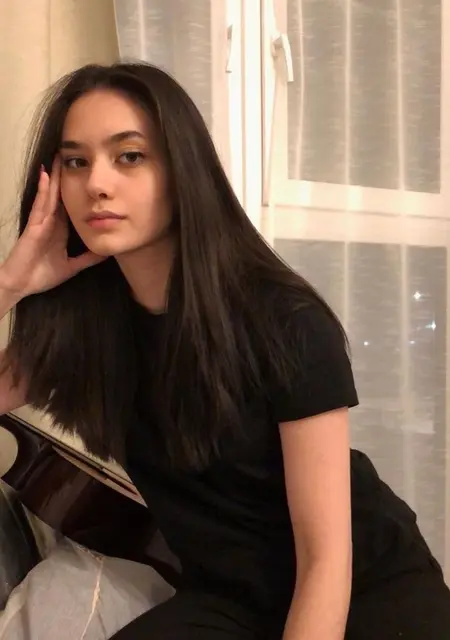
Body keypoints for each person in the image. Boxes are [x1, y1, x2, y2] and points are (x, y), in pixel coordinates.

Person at [0, 62, 449, 640]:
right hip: (231, 598)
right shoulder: (86, 326)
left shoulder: (285, 321)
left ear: (182, 170)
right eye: (76, 162)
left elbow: (325, 561)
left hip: (365, 591)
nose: (98, 184)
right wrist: (10, 284)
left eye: (129, 156)